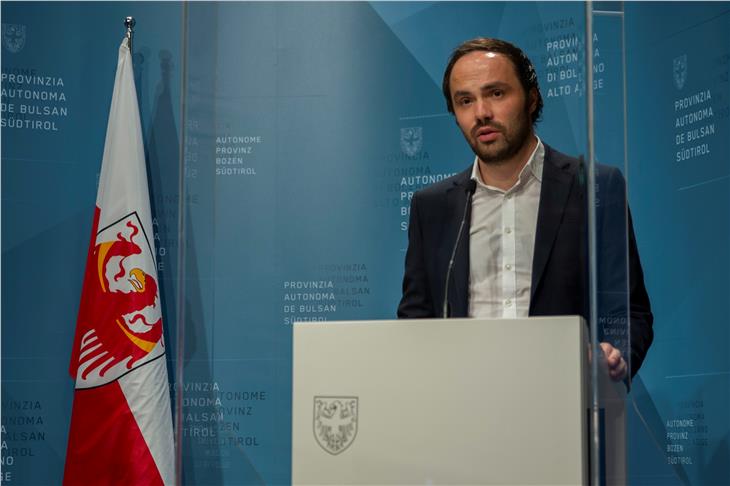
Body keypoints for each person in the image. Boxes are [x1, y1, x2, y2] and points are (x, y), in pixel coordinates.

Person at [397, 37, 653, 382]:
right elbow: (416, 324)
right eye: (465, 100)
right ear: (455, 115)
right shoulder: (432, 207)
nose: (481, 112)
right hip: (461, 409)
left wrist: (615, 354)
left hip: (564, 405)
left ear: (532, 98)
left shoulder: (593, 187)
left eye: (496, 93)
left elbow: (630, 312)